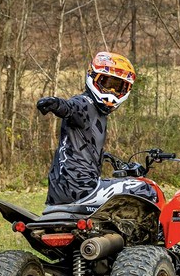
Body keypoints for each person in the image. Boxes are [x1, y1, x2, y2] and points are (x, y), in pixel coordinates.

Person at [36, 51, 156, 209]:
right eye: (107, 83)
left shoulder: (97, 112)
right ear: (93, 77)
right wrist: (56, 104)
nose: (112, 92)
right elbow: (71, 108)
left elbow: (82, 142)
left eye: (118, 87)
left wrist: (104, 156)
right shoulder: (85, 103)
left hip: (59, 193)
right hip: (82, 190)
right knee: (147, 189)